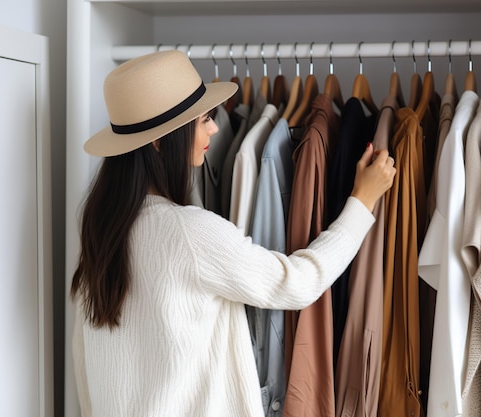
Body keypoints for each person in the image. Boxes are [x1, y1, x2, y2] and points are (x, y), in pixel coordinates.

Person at [71, 49, 396, 417]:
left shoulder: (99, 238)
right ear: (160, 141)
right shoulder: (188, 232)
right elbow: (297, 283)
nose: (213, 128)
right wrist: (361, 201)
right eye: (203, 119)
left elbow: (86, 377)